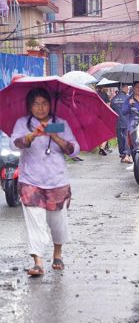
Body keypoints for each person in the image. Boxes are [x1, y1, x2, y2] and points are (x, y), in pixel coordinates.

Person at [10, 88, 80, 277]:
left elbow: (74, 150)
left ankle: (57, 254)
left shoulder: (60, 123)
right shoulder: (23, 123)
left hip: (57, 180)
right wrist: (32, 135)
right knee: (35, 222)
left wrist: (54, 136)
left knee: (57, 222)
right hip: (30, 180)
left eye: (44, 103)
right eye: (36, 103)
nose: (40, 108)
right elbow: (13, 144)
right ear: (29, 106)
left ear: (50, 104)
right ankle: (38, 262)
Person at [121, 81, 139, 158]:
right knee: (133, 148)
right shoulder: (128, 99)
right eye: (137, 87)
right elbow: (123, 112)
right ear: (133, 88)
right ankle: (136, 163)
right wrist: (129, 104)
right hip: (132, 127)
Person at [110, 84, 130, 162]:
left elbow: (111, 111)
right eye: (127, 88)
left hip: (117, 122)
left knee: (120, 139)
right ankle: (126, 154)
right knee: (126, 138)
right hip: (126, 121)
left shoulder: (113, 99)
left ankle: (122, 154)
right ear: (124, 88)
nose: (128, 90)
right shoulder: (128, 98)